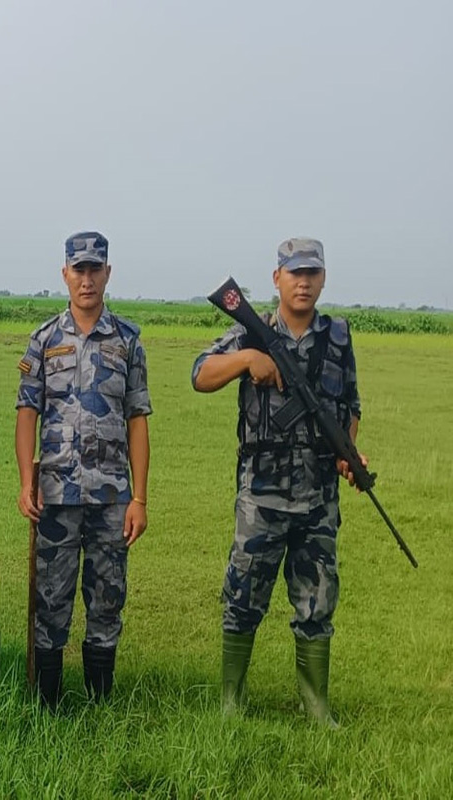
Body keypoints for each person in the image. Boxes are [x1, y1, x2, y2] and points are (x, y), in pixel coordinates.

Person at [192, 237, 361, 727]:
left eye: (312, 273)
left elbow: (350, 407)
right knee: (242, 597)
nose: (304, 282)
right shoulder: (253, 333)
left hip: (318, 497)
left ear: (323, 279)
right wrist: (248, 361)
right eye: (294, 273)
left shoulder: (338, 339)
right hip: (261, 496)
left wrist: (348, 452)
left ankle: (316, 704)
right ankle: (231, 700)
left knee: (317, 600)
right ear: (277, 279)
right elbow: (199, 374)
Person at [14, 231, 152, 710]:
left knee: (107, 596)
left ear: (108, 273)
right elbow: (27, 412)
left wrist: (140, 498)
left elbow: (137, 419)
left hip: (112, 496)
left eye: (96, 269)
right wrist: (26, 483)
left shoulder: (128, 340)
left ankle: (99, 703)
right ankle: (47, 704)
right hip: (55, 492)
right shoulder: (45, 339)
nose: (87, 279)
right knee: (51, 599)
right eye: (79, 270)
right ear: (65, 274)